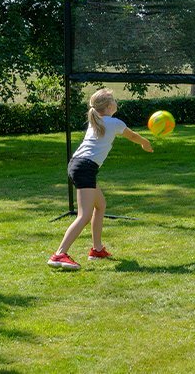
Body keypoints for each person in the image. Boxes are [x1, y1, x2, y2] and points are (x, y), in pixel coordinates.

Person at [48, 89, 152, 270]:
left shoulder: (96, 121)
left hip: (79, 165)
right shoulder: (113, 122)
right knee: (84, 215)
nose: (116, 102)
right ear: (110, 106)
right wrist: (144, 142)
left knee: (100, 205)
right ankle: (59, 254)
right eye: (114, 99)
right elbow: (132, 136)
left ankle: (96, 250)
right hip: (85, 168)